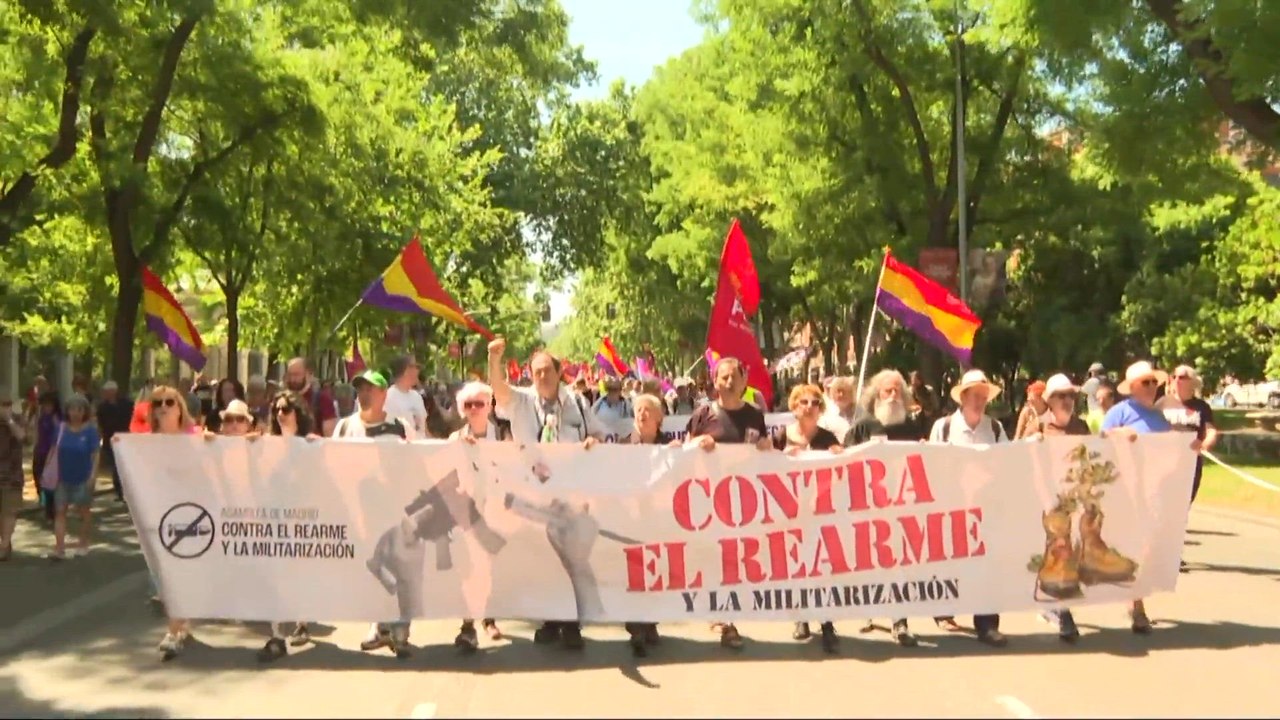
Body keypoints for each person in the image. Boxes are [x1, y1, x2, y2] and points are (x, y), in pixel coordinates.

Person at [488, 336, 606, 650]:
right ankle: (550, 620)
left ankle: (571, 624)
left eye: (547, 371)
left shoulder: (578, 403)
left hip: (571, 495)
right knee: (543, 559)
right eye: (536, 372)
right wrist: (494, 360)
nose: (542, 377)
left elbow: (597, 432)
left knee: (570, 556)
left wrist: (593, 442)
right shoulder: (521, 402)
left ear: (559, 373)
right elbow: (498, 390)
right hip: (535, 495)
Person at [685, 356, 774, 650]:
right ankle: (725, 618)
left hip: (742, 503)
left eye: (734, 376)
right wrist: (697, 446)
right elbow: (682, 455)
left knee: (736, 561)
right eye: (723, 377)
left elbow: (764, 451)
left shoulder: (755, 416)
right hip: (709, 501)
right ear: (714, 382)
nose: (729, 382)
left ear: (744, 380)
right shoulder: (703, 415)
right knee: (715, 558)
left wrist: (765, 448)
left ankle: (727, 616)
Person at [338, 371, 418, 659]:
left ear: (383, 394)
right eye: (359, 389)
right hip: (361, 512)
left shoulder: (400, 427)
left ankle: (400, 630)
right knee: (372, 568)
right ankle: (377, 626)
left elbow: (420, 460)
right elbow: (330, 461)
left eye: (369, 389)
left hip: (396, 513)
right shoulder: (345, 426)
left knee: (399, 569)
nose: (363, 394)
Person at [846, 369, 927, 647]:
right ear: (875, 395)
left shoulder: (913, 428)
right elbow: (841, 462)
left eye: (897, 391)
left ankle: (899, 621)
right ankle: (869, 609)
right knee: (870, 562)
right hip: (868, 509)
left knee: (899, 564)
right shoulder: (863, 426)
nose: (892, 396)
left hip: (904, 508)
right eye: (886, 391)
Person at [929, 369, 1010, 647]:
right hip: (953, 507)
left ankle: (987, 624)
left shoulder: (996, 429)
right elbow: (933, 465)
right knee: (952, 560)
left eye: (983, 396)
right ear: (962, 397)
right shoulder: (944, 428)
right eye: (974, 395)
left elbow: (1008, 464)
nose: (979, 401)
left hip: (986, 508)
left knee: (987, 564)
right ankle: (944, 607)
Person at [1101, 360, 1183, 634]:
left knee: (1148, 548)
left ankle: (1134, 597)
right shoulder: (1119, 412)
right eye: (1145, 383)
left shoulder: (1159, 418)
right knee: (1132, 546)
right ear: (1132, 387)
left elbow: (1171, 452)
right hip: (1126, 490)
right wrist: (1119, 434)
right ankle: (1136, 604)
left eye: (1153, 382)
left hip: (1155, 491)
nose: (1151, 387)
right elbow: (1099, 441)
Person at [774, 384, 842, 653]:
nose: (809, 406)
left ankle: (826, 623)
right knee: (796, 565)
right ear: (794, 406)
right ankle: (800, 617)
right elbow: (764, 465)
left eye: (815, 402)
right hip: (790, 513)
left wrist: (840, 454)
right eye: (803, 402)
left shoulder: (827, 438)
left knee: (822, 568)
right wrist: (779, 457)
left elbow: (844, 469)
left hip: (820, 512)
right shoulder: (782, 436)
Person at [1024, 373, 1088, 642]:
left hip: (1077, 499)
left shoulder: (1082, 427)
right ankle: (1064, 613)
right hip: (1048, 501)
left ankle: (1052, 604)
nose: (1067, 400)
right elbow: (1021, 460)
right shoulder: (1038, 427)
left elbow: (1094, 457)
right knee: (1061, 551)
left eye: (1071, 395)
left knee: (1069, 553)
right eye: (1061, 396)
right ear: (1049, 400)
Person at [447, 380, 508, 652]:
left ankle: (490, 618)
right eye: (468, 405)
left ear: (489, 406)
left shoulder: (504, 436)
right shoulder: (454, 439)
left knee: (492, 569)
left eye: (479, 404)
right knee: (469, 570)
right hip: (466, 515)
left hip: (497, 513)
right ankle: (468, 626)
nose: (474, 409)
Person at [617, 393, 671, 657]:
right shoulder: (622, 446)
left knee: (656, 570)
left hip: (659, 519)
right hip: (632, 519)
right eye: (638, 409)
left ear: (659, 418)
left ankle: (651, 623)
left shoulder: (672, 447)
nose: (642, 414)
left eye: (648, 410)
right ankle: (636, 627)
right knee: (634, 572)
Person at [47, 394, 101, 560]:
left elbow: (96, 454)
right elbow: (53, 449)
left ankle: (83, 543)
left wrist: (93, 475)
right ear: (67, 411)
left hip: (83, 477)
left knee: (83, 511)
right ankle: (60, 548)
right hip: (62, 478)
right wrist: (48, 470)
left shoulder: (91, 431)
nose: (75, 413)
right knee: (60, 512)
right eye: (72, 409)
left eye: (79, 409)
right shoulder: (61, 428)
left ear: (84, 411)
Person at [1157, 365, 1218, 506]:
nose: (1177, 380)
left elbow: (1210, 431)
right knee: (1163, 501)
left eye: (1182, 377)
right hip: (1164, 461)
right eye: (1174, 376)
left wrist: (1205, 444)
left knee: (1184, 503)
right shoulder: (1162, 403)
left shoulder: (1201, 407)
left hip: (1190, 462)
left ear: (1193, 382)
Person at [95, 381, 133, 502]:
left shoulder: (127, 404)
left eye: (107, 392)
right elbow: (100, 424)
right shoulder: (102, 407)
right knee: (115, 465)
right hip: (110, 439)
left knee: (124, 465)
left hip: (125, 438)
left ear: (113, 392)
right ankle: (119, 491)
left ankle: (127, 490)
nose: (105, 394)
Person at [0, 389, 25, 561]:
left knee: (9, 511)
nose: (5, 408)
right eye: (2, 404)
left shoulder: (17, 420)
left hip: (12, 475)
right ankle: (5, 542)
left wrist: (8, 420)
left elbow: (24, 437)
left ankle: (4, 545)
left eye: (8, 404)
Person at [283, 357, 338, 436]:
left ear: (309, 374)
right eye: (290, 374)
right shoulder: (282, 400)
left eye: (296, 375)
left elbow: (330, 436)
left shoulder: (323, 400)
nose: (292, 379)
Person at [384, 355, 428, 437]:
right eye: (416, 367)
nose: (418, 371)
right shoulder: (389, 397)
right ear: (407, 370)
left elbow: (424, 427)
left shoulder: (417, 397)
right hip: (402, 448)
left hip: (421, 448)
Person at [818, 376, 857, 441]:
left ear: (851, 393)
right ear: (832, 393)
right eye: (838, 391)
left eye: (844, 391)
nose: (841, 394)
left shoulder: (860, 413)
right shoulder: (827, 414)